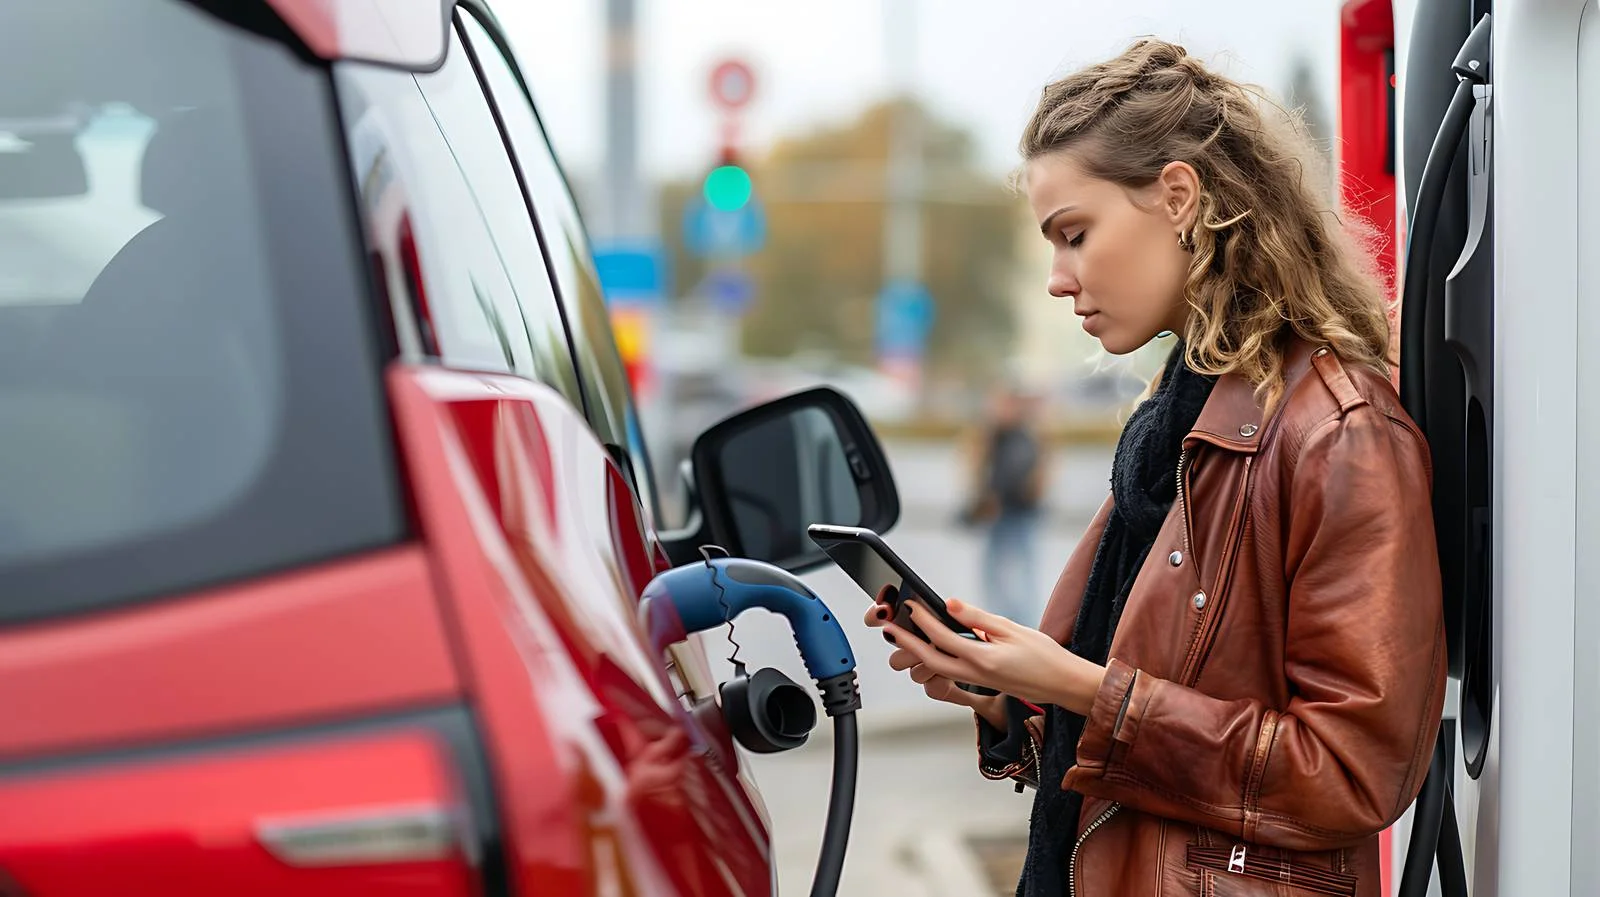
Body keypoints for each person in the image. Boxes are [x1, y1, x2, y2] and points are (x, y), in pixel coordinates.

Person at [864, 38, 1445, 897]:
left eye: (1076, 235)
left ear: (1179, 197)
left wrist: (1083, 689)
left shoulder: (1339, 431)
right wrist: (1003, 694)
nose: (1060, 280)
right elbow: (1131, 729)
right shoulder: (1174, 421)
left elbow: (1356, 771)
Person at [960, 380, 1050, 624]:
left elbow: (1026, 477)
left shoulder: (1024, 437)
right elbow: (977, 468)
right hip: (1000, 512)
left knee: (1018, 569)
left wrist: (996, 498)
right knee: (996, 570)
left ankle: (1022, 622)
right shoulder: (994, 435)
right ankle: (1000, 619)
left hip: (1017, 511)